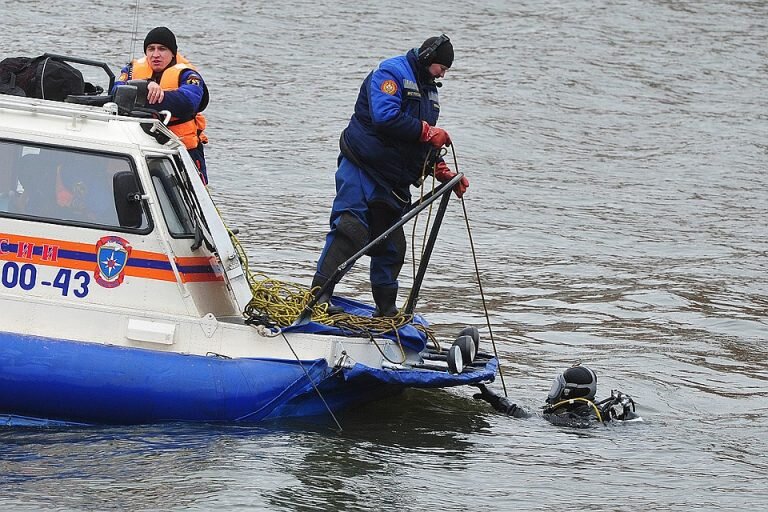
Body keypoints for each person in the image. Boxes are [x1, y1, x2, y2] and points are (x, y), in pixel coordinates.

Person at [310, 34, 470, 317]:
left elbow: (420, 144)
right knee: (350, 230)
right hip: (362, 166)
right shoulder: (391, 73)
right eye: (441, 67)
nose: (443, 73)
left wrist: (442, 171)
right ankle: (318, 298)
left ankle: (386, 314)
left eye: (446, 70)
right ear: (427, 58)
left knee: (391, 246)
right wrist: (428, 132)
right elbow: (385, 117)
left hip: (393, 182)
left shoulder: (431, 93)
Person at [113, 27, 210, 183]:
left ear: (173, 53)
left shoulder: (188, 75)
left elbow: (188, 102)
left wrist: (158, 95)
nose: (156, 54)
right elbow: (116, 91)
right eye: (151, 49)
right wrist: (146, 86)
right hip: (139, 144)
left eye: (162, 49)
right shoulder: (132, 70)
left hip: (181, 150)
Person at [473, 364, 640, 427]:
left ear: (568, 392)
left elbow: (527, 418)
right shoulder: (594, 407)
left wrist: (495, 399)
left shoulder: (571, 417)